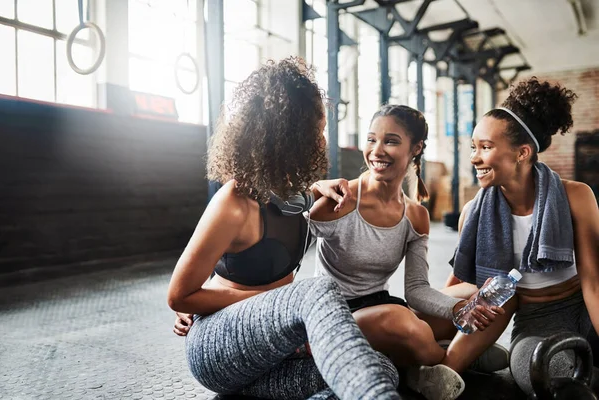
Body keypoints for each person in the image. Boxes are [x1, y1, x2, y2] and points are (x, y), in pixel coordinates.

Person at [167, 57, 401, 400]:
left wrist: (319, 188)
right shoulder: (233, 203)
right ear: (290, 135)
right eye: (317, 131)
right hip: (217, 346)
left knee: (380, 368)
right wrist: (279, 303)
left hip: (272, 348)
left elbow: (296, 201)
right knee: (317, 291)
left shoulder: (290, 192)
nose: (322, 140)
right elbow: (179, 295)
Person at [307, 104, 509, 400]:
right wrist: (311, 191)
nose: (377, 150)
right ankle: (451, 360)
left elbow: (415, 290)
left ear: (416, 148)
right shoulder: (341, 200)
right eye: (371, 139)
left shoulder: (415, 216)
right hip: (336, 317)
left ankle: (424, 361)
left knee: (474, 295)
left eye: (390, 141)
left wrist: (459, 310)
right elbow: (285, 240)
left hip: (383, 305)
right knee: (402, 322)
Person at [444, 77, 599, 396]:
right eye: (474, 147)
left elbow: (593, 284)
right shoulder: (472, 214)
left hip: (584, 306)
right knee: (548, 376)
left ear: (522, 153)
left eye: (485, 147)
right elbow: (461, 284)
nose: (474, 157)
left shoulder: (576, 197)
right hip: (537, 319)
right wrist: (438, 323)